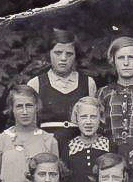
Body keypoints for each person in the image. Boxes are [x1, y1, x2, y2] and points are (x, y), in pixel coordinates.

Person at [27, 28, 97, 163]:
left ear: (75, 55)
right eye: (58, 53)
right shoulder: (36, 84)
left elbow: (93, 122)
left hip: (80, 150)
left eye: (69, 54)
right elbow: (30, 127)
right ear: (49, 53)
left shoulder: (88, 83)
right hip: (46, 151)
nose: (63, 58)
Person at [65, 96, 112, 182]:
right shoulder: (68, 147)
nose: (88, 122)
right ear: (76, 119)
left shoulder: (110, 146)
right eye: (83, 117)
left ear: (100, 119)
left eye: (93, 117)